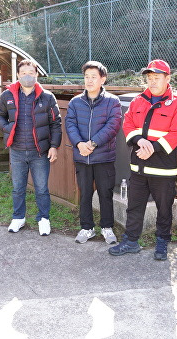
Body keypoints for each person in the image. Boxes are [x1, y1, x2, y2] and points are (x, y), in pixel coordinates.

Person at [108, 59, 177, 260]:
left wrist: (152, 147)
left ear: (167, 78)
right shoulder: (138, 101)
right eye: (149, 78)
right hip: (139, 166)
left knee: (164, 208)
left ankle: (162, 242)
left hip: (163, 169)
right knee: (134, 206)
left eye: (157, 78)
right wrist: (140, 140)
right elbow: (129, 125)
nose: (152, 82)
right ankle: (131, 240)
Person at [0, 59, 62, 236]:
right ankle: (18, 217)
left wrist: (54, 146)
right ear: (17, 75)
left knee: (41, 188)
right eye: (23, 73)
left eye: (31, 73)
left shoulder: (47, 97)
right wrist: (9, 128)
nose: (27, 76)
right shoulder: (7, 96)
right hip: (16, 151)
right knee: (18, 187)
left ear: (36, 74)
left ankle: (44, 219)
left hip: (39, 152)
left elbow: (56, 123)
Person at [65, 61, 122, 244]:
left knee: (105, 193)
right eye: (86, 77)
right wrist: (80, 144)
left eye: (94, 77)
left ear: (102, 79)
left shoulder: (112, 101)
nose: (89, 81)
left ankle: (107, 227)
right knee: (85, 193)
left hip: (104, 156)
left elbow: (113, 126)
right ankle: (86, 228)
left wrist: (93, 143)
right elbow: (70, 124)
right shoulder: (75, 102)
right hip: (82, 156)